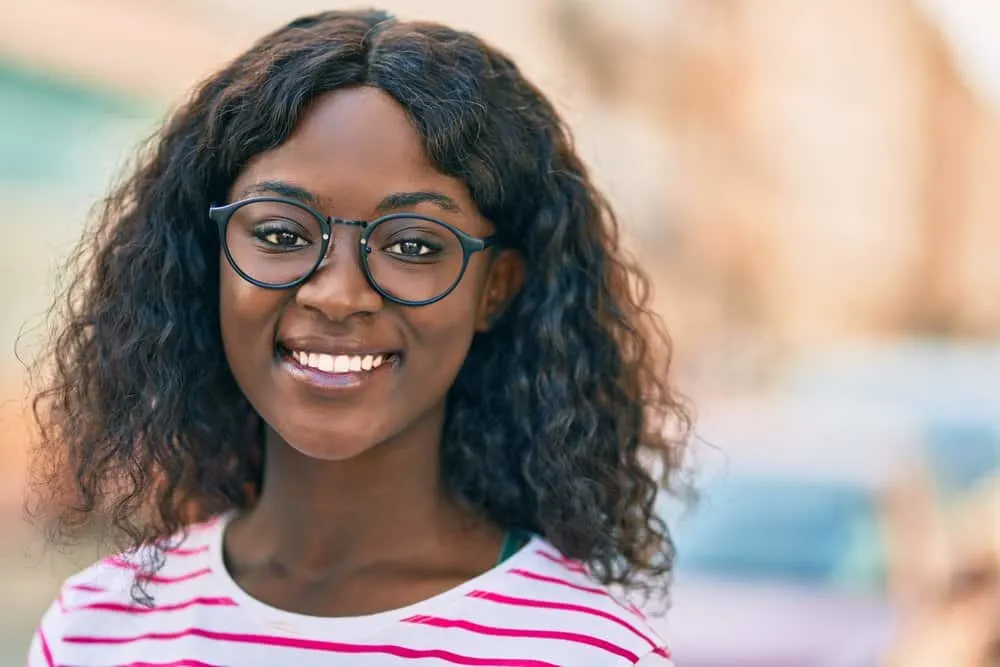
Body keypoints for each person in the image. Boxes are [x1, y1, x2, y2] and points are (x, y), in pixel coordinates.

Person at [26, 9, 689, 666]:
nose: (338, 294)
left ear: (496, 287)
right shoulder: (98, 628)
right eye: (281, 234)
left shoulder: (583, 650)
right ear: (211, 259)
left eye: (412, 244)